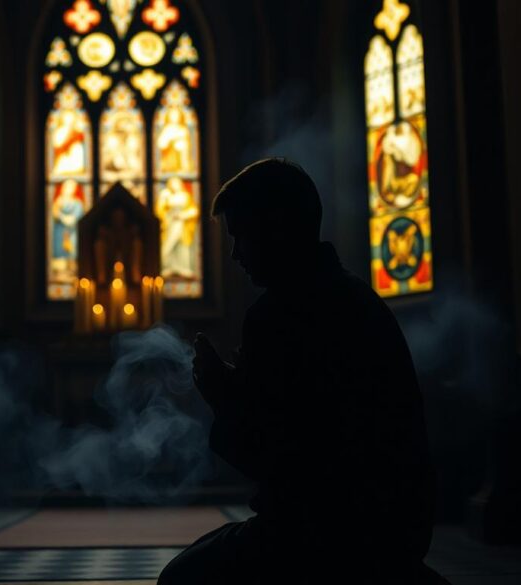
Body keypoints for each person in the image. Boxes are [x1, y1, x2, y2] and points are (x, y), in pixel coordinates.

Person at [158, 158, 447, 584]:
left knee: (180, 579)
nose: (236, 255)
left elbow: (280, 460)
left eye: (242, 237)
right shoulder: (355, 297)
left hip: (330, 533)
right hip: (399, 525)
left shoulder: (280, 313)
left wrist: (223, 397)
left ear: (276, 228)